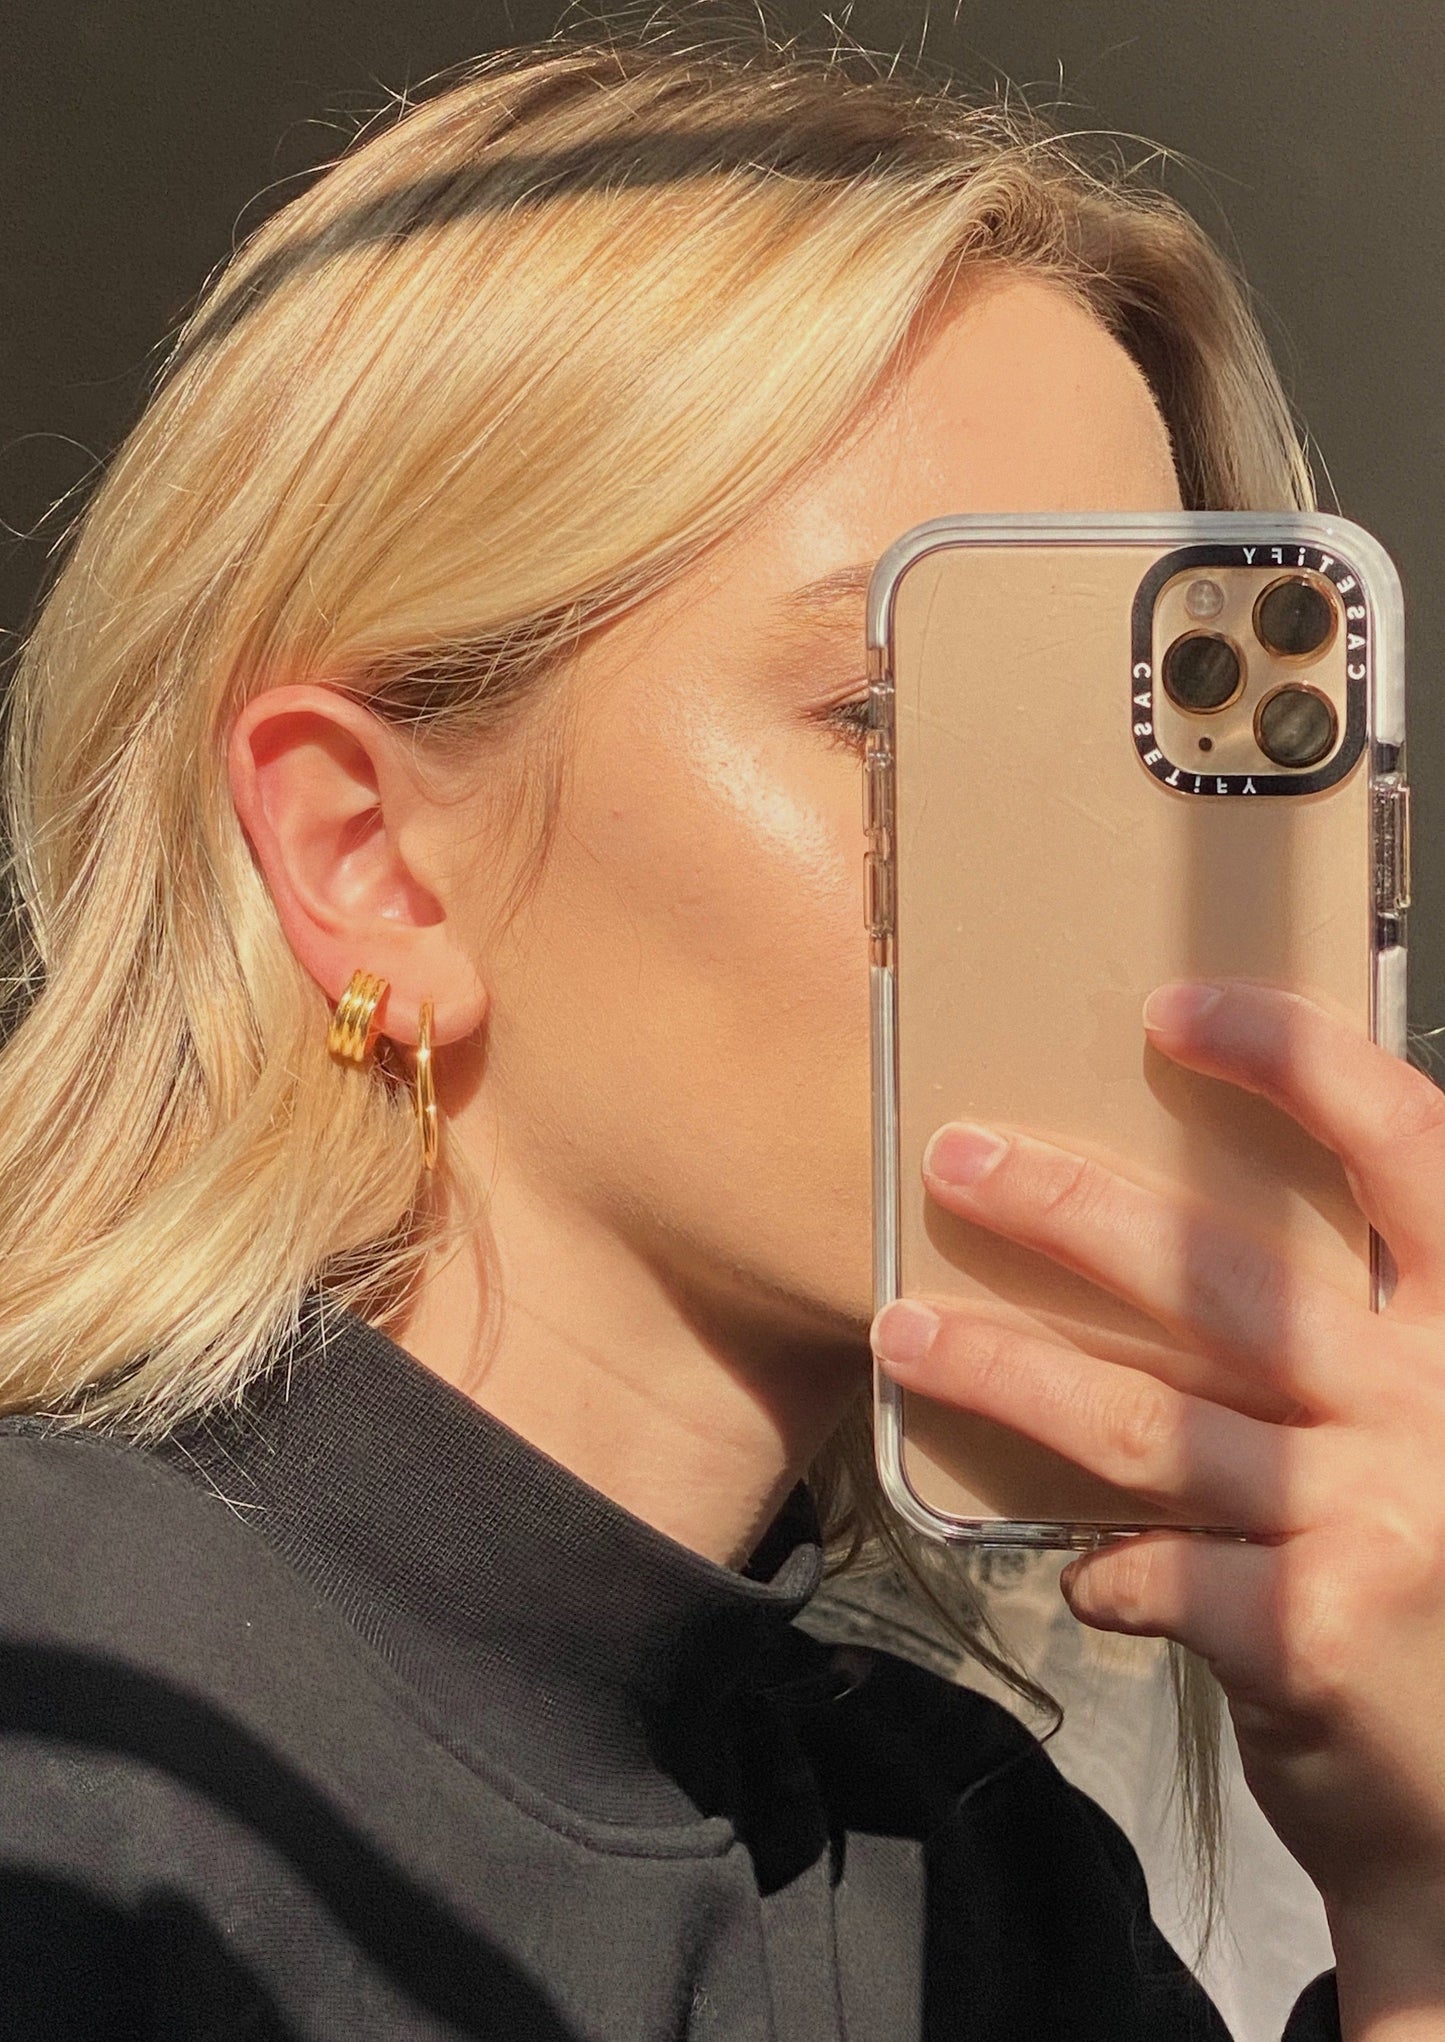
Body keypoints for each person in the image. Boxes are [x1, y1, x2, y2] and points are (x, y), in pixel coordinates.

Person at [1, 29, 1441, 2041]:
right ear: (369, 859)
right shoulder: (74, 1757)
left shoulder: (993, 1877)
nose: (1112, 900)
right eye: (904, 711)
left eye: (1135, 756)